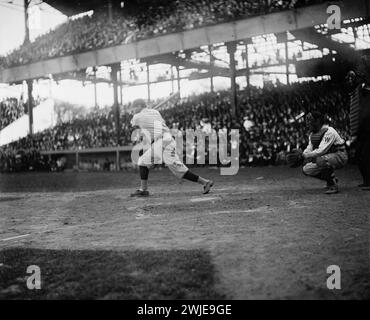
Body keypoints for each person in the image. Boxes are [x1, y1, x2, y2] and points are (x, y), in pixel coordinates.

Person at [129, 98, 214, 197]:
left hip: (164, 141)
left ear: (139, 106)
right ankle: (143, 189)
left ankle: (205, 182)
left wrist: (136, 116)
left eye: (134, 108)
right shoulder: (155, 112)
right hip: (163, 140)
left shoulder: (137, 117)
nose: (133, 110)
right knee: (142, 161)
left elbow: (133, 124)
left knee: (177, 169)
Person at [302, 111, 348, 194]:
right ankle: (330, 178)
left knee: (320, 160)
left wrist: (307, 155)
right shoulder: (313, 134)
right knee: (307, 169)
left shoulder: (329, 131)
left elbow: (322, 150)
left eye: (310, 120)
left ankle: (332, 185)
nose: (308, 123)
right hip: (327, 157)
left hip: (340, 156)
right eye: (307, 120)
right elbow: (309, 148)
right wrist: (304, 154)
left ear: (318, 121)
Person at [346, 68, 370, 191]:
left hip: (367, 128)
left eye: (352, 78)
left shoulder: (362, 88)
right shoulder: (354, 93)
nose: (350, 80)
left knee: (365, 155)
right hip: (360, 130)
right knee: (359, 155)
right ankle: (366, 181)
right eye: (348, 78)